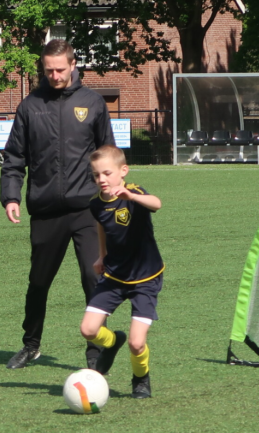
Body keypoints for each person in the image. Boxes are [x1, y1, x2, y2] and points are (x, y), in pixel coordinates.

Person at [0, 39, 115, 369]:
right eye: (48, 70)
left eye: (60, 69)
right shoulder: (30, 106)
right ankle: (31, 345)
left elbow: (108, 152)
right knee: (39, 282)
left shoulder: (92, 103)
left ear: (73, 64)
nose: (54, 75)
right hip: (46, 210)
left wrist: (114, 193)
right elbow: (14, 157)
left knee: (93, 278)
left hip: (87, 209)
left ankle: (95, 352)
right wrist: (11, 196)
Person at [80, 144, 164, 399]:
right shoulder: (96, 204)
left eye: (107, 173)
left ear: (123, 171)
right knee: (88, 330)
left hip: (145, 278)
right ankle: (113, 341)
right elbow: (102, 226)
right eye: (97, 175)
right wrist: (101, 255)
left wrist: (132, 197)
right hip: (114, 276)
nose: (102, 179)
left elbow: (157, 203)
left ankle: (141, 379)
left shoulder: (134, 191)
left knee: (137, 343)